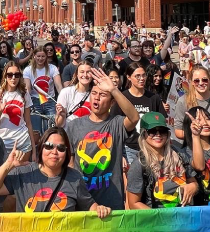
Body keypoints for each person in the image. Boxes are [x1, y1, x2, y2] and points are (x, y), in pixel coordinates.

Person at [0, 127, 111, 218]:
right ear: (41, 147)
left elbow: (89, 205)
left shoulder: (74, 177)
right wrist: (8, 165)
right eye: (49, 146)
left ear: (66, 153)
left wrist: (100, 209)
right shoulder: (23, 173)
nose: (54, 152)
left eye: (61, 148)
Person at [66, 68, 140, 211]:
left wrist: (113, 90)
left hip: (112, 201)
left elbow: (134, 118)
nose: (97, 97)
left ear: (112, 103)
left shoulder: (117, 123)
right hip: (83, 203)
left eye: (103, 95)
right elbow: (70, 166)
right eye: (94, 93)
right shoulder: (74, 126)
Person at [126, 113, 198, 209]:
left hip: (183, 218)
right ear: (143, 134)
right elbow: (133, 203)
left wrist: (193, 187)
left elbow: (194, 183)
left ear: (168, 134)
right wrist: (159, 218)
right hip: (156, 221)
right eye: (152, 131)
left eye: (162, 131)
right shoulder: (139, 164)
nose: (158, 135)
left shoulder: (179, 154)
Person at [111, 62, 164, 165]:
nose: (141, 78)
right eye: (137, 76)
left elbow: (162, 123)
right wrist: (119, 154)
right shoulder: (122, 98)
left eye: (144, 75)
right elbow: (114, 127)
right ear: (129, 77)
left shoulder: (154, 98)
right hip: (129, 148)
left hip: (150, 147)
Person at [173, 66, 210, 143]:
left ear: (209, 80)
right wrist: (195, 133)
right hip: (194, 150)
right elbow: (178, 131)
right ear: (191, 82)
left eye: (204, 80)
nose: (201, 83)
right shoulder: (183, 101)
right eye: (196, 81)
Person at [0, 62, 35, 156]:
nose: (13, 78)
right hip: (2, 144)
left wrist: (34, 150)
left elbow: (28, 123)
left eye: (16, 75)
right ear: (5, 76)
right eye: (10, 75)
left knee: (23, 171)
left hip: (23, 143)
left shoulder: (24, 93)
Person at [23, 46, 63, 134]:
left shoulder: (53, 68)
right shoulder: (27, 70)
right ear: (34, 56)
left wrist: (62, 100)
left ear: (46, 57)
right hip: (35, 101)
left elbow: (59, 86)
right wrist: (26, 104)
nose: (40, 59)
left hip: (50, 100)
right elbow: (28, 89)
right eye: (38, 56)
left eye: (43, 56)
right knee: (36, 130)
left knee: (51, 129)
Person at [56, 60, 94, 127]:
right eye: (82, 72)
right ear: (77, 74)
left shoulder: (95, 94)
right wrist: (62, 115)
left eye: (88, 72)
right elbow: (59, 125)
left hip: (89, 134)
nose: (85, 75)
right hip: (70, 133)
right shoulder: (66, 92)